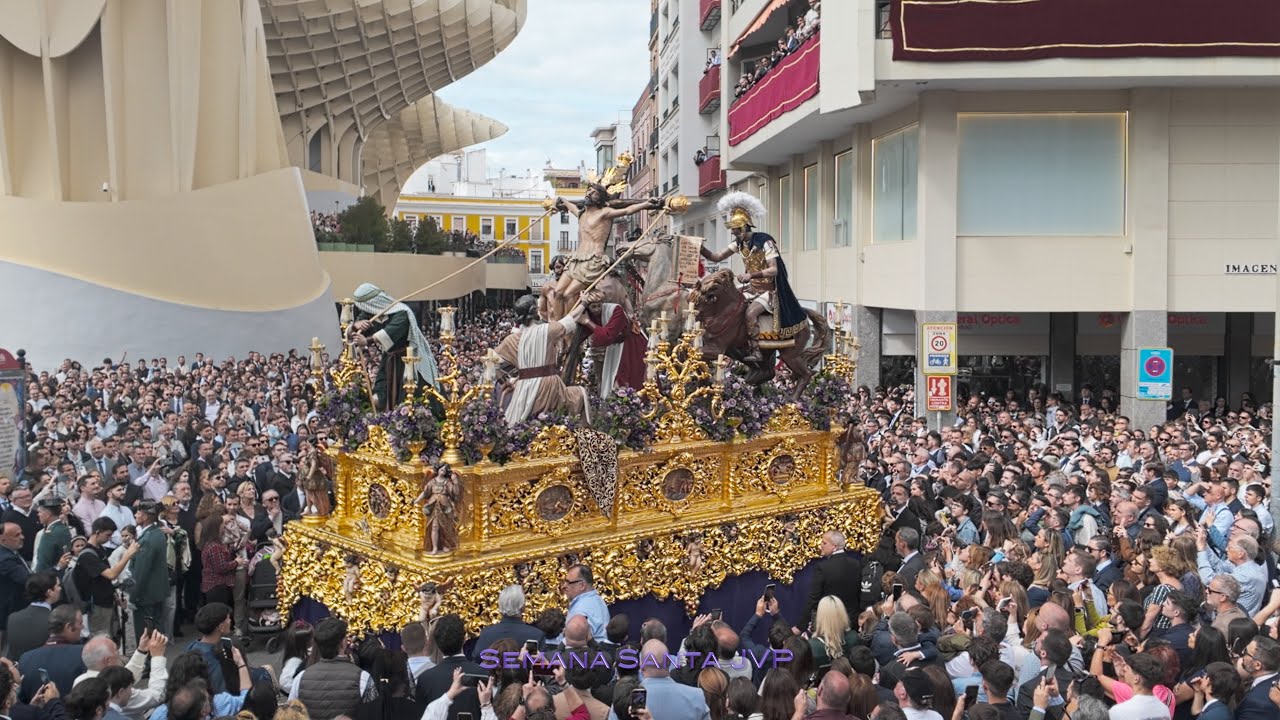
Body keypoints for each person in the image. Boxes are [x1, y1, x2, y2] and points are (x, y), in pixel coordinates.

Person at [545, 159, 662, 320]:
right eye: (588, 190)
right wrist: (561, 201)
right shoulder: (582, 214)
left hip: (592, 263)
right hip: (576, 260)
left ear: (599, 199)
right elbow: (570, 206)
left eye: (593, 192)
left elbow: (627, 210)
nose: (588, 194)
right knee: (558, 293)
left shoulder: (604, 213)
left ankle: (566, 327)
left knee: (567, 295)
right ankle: (555, 328)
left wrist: (646, 204)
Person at [703, 191, 806, 363]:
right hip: (751, 289)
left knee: (750, 313)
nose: (734, 234)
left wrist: (750, 275)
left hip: (768, 291)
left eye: (735, 230)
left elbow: (774, 270)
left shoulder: (765, 242)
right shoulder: (739, 244)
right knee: (728, 305)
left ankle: (757, 350)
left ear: (744, 227)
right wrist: (700, 248)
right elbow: (716, 256)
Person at [495, 295, 591, 426]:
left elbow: (490, 361)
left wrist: (504, 381)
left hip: (523, 389)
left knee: (523, 425)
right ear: (535, 311)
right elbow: (572, 318)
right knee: (579, 394)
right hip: (549, 386)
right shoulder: (547, 330)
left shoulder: (511, 340)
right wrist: (584, 302)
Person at [350, 282, 439, 410]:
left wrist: (367, 340)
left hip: (409, 360)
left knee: (413, 394)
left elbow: (390, 332)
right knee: (381, 391)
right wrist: (355, 326)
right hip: (389, 359)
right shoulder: (370, 312)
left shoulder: (402, 312)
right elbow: (353, 331)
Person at [573, 288, 647, 398]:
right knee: (611, 378)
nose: (597, 309)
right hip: (614, 347)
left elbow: (608, 335)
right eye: (594, 306)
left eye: (599, 305)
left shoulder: (615, 310)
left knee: (631, 377)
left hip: (631, 346)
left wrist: (587, 322)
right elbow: (583, 334)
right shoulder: (590, 314)